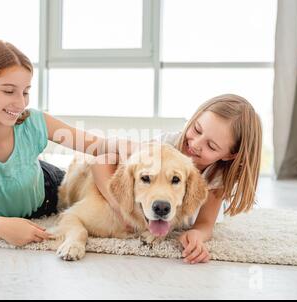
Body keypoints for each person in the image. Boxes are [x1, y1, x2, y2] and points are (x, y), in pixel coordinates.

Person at [0, 40, 129, 247]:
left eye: (26, 91)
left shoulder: (34, 122)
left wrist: (139, 149)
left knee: (100, 166)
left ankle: (121, 208)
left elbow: (98, 146)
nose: (20, 103)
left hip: (46, 189)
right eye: (9, 91)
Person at [92, 94, 262, 264]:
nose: (195, 144)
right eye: (197, 129)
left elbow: (205, 224)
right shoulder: (162, 146)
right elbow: (100, 159)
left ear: (230, 155)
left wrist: (197, 235)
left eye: (211, 146)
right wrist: (119, 208)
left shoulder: (217, 175)